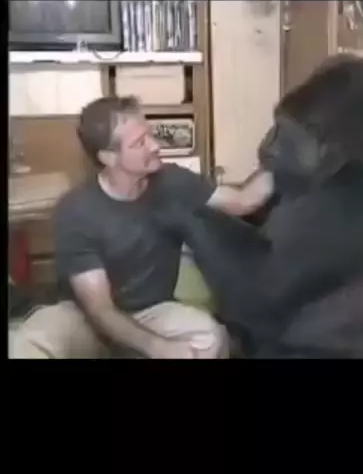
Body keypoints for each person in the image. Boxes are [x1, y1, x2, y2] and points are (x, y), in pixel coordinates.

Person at [171, 54, 363, 358]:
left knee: (193, 218)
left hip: (313, 350)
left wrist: (191, 216)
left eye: (284, 134)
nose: (267, 147)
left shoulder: (349, 201)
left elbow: (255, 297)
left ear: (327, 141)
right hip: (334, 336)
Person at [8, 95, 273, 360]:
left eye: (150, 135)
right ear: (109, 157)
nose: (155, 146)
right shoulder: (76, 210)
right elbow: (100, 309)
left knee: (211, 338)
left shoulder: (173, 181)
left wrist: (282, 153)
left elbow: (243, 200)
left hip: (150, 312)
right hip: (84, 316)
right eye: (139, 143)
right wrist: (160, 348)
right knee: (30, 344)